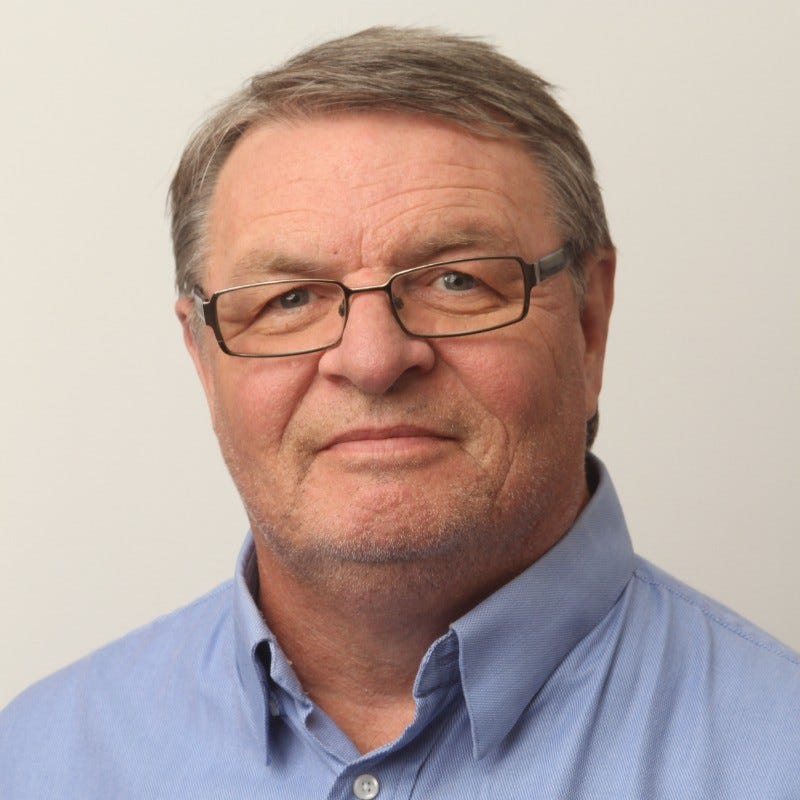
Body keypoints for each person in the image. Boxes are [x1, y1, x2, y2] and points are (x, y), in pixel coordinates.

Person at [1, 26, 798, 799]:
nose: (373, 360)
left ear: (589, 324)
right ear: (203, 360)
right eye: (291, 299)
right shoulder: (35, 761)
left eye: (457, 281)